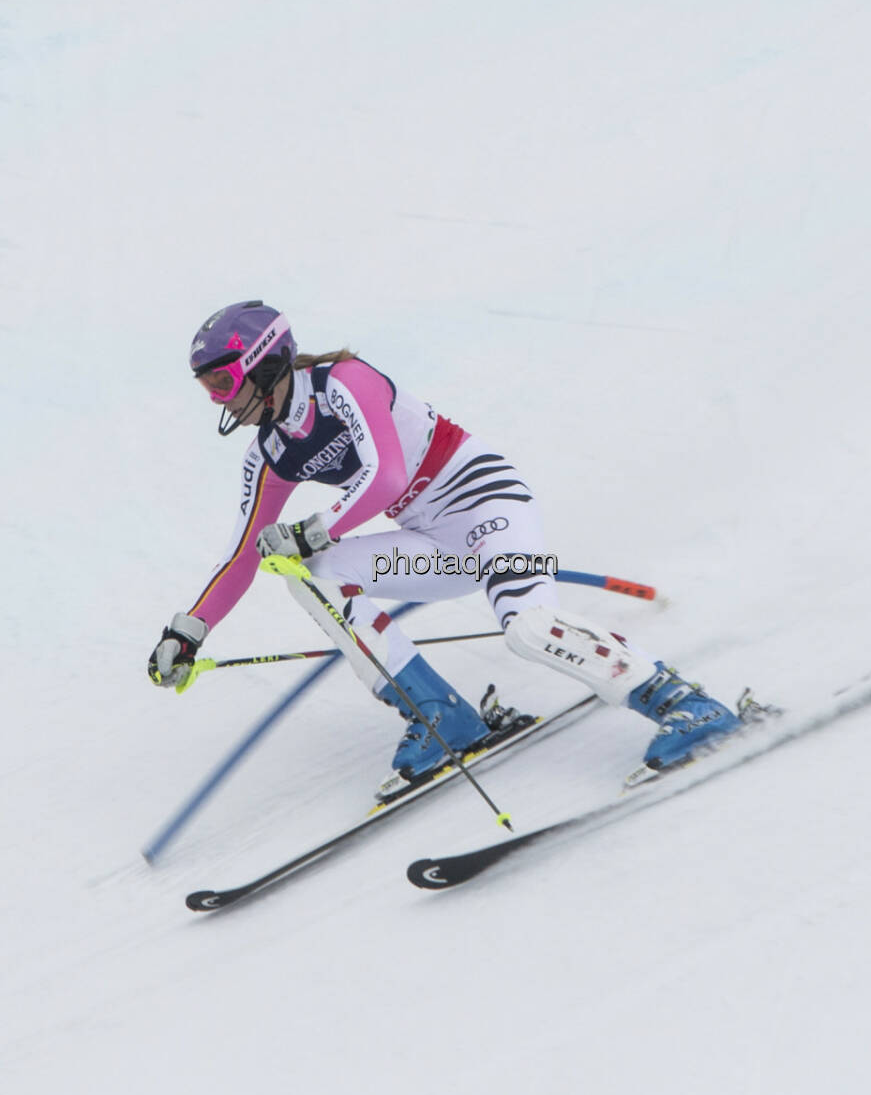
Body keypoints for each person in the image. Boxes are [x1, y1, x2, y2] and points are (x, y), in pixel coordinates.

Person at [148, 300, 742, 796]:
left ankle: (684, 703)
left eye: (222, 382)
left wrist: (314, 527)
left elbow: (384, 475)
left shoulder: (343, 382)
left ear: (265, 362)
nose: (218, 400)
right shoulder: (269, 452)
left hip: (488, 506)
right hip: (432, 543)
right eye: (207, 388)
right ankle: (441, 716)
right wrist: (188, 631)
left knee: (527, 630)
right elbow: (243, 554)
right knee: (309, 574)